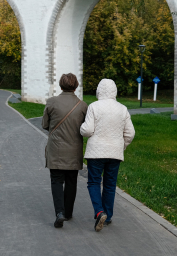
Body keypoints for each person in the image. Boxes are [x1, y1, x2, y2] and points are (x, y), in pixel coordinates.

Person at [80, 78, 135, 232]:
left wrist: (81, 128)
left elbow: (87, 130)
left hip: (96, 152)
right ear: (114, 91)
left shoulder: (94, 107)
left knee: (94, 182)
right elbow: (130, 133)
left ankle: (99, 212)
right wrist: (121, 146)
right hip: (115, 153)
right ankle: (108, 216)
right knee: (110, 184)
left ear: (99, 91)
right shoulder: (122, 109)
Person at [42, 73, 88, 228]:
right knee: (71, 181)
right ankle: (68, 213)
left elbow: (44, 125)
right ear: (76, 86)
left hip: (56, 150)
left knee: (56, 180)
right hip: (74, 150)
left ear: (60, 85)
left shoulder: (51, 102)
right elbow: (85, 128)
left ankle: (59, 212)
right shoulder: (82, 106)